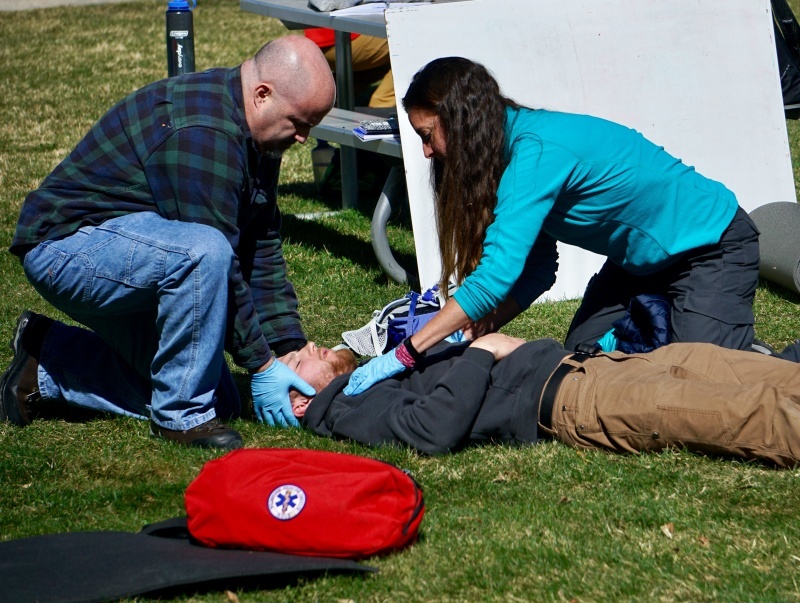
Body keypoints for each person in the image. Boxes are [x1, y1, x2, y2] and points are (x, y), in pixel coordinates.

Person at [344, 56, 761, 396]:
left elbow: (495, 276)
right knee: (582, 357)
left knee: (702, 380)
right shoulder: (504, 157)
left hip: (713, 245)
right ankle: (680, 323)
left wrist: (406, 353)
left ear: (460, 119)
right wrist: (487, 323)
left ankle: (740, 345)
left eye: (428, 135)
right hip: (641, 267)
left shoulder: (534, 155)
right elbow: (540, 268)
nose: (427, 151)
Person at [0, 36, 336, 449]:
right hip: (66, 248)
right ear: (262, 94)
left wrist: (287, 345)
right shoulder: (205, 134)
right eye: (299, 122)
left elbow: (260, 242)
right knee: (204, 254)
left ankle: (47, 357)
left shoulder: (258, 131)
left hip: (135, 249)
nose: (303, 138)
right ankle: (180, 418)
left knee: (221, 397)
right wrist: (263, 366)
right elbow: (217, 266)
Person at [290, 334, 800, 468]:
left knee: (780, 376)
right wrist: (481, 354)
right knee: (755, 414)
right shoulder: (346, 411)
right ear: (297, 406)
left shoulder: (365, 381)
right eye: (296, 365)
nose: (305, 347)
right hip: (579, 399)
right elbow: (432, 431)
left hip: (605, 365)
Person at [304, 29, 395, 109]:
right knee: (406, 37)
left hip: (317, 41)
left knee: (389, 60)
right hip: (348, 39)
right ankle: (381, 108)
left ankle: (325, 101)